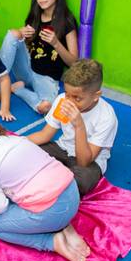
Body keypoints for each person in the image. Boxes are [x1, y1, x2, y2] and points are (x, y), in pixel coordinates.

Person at [0, 107, 90, 261]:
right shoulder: (16, 140)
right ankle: (66, 227)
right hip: (72, 195)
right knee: (39, 192)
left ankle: (51, 241)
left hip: (52, 212)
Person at [0, 0, 78, 114]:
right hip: (27, 69)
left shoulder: (67, 20)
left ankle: (18, 88)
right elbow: (28, 48)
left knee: (45, 107)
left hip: (46, 78)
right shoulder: (34, 15)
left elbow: (74, 63)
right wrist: (22, 33)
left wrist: (56, 43)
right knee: (13, 34)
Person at [28, 59, 117, 195]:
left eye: (77, 98)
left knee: (81, 181)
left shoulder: (106, 116)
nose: (69, 101)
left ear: (96, 96)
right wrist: (15, 143)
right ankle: (53, 181)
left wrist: (79, 125)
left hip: (89, 160)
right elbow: (44, 135)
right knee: (28, 154)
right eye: (67, 94)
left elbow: (83, 162)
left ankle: (51, 182)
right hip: (62, 148)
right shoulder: (62, 100)